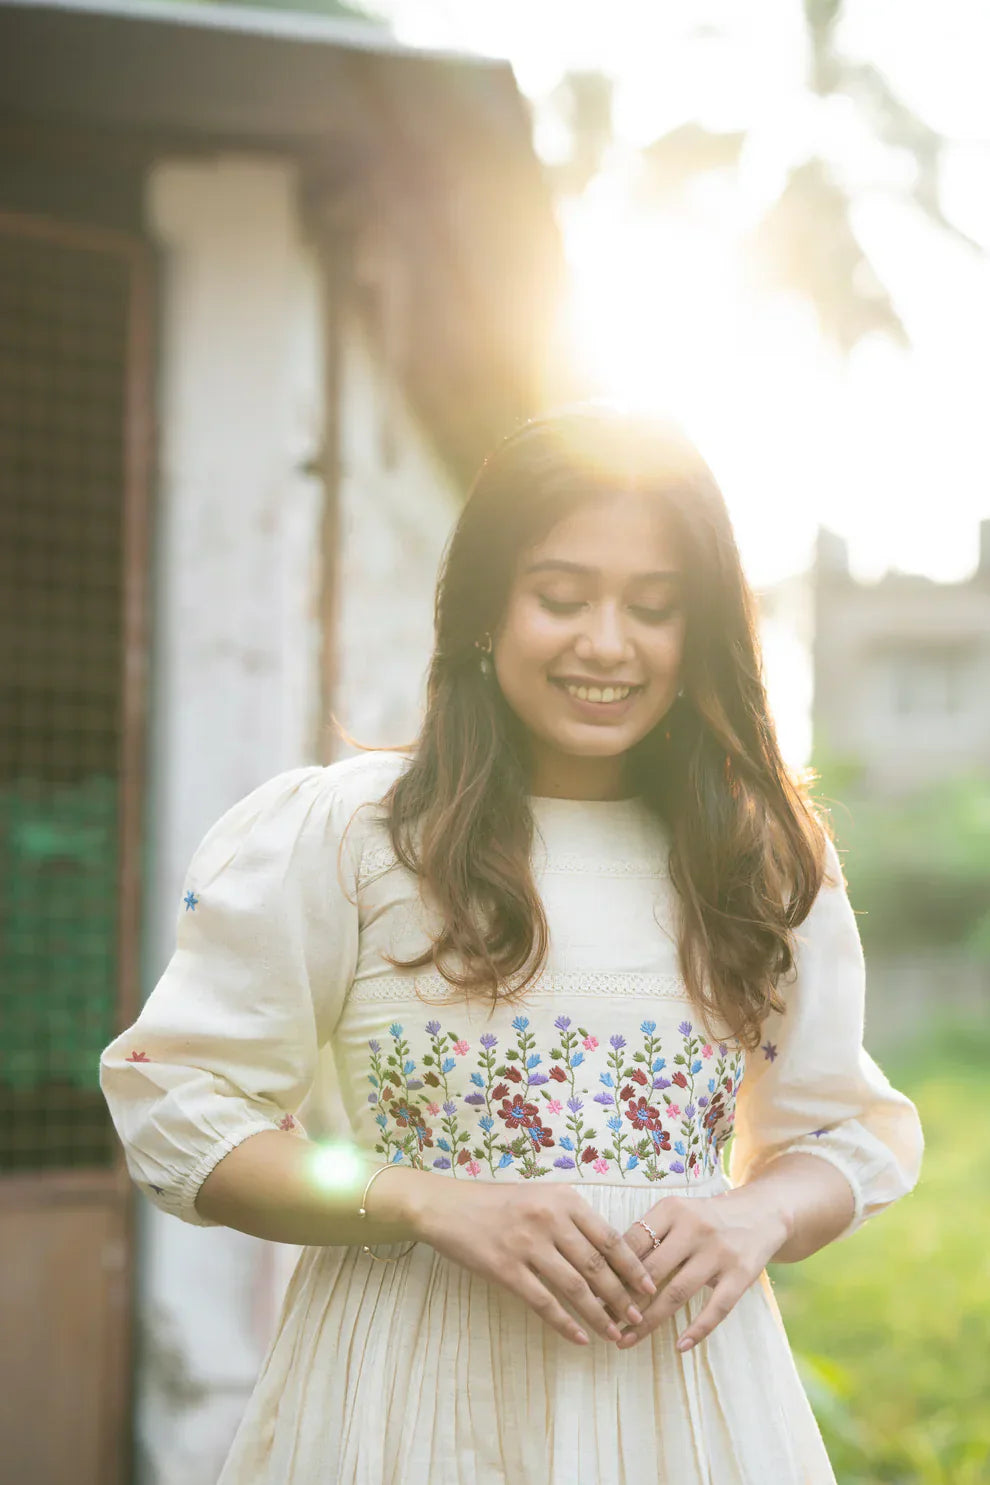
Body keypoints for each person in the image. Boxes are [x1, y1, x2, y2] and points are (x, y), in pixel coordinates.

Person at [100, 405, 924, 1484]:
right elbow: (178, 1103)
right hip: (403, 1400)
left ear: (702, 632)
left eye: (655, 607)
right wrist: (418, 1198)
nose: (607, 643)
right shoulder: (352, 835)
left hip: (684, 1409)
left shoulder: (759, 862)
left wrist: (756, 1215)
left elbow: (847, 1136)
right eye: (563, 597)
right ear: (488, 608)